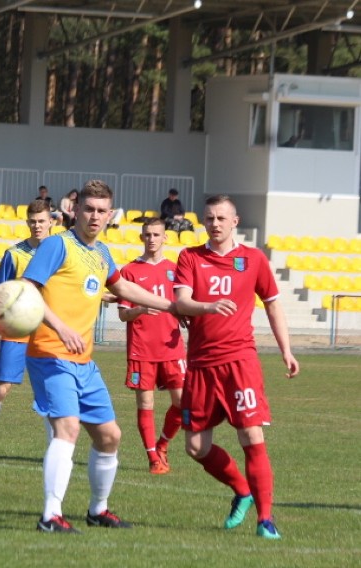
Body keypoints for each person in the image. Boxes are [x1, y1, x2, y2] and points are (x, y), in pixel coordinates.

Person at [22, 179, 177, 534]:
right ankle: (50, 515)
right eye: (88, 209)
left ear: (110, 215)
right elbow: (28, 292)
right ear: (74, 210)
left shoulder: (102, 253)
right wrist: (60, 328)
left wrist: (170, 305)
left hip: (84, 362)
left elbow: (122, 287)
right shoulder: (56, 245)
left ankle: (98, 510)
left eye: (101, 211)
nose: (94, 216)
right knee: (68, 428)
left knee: (109, 437)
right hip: (50, 353)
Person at [173, 194, 299, 540]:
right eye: (209, 218)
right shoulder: (190, 257)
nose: (214, 224)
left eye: (221, 218)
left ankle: (265, 519)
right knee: (195, 447)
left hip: (240, 361)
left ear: (235, 221)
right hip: (200, 364)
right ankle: (242, 489)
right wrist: (208, 306)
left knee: (252, 435)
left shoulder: (254, 259)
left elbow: (273, 306)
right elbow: (182, 301)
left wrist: (286, 350)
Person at [0, 199, 55, 462]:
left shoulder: (59, 252)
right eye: (33, 221)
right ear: (27, 222)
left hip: (47, 332)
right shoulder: (14, 254)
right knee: (2, 388)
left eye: (42, 221)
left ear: (51, 221)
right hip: (17, 330)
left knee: (50, 394)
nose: (37, 225)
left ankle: (55, 449)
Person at [117, 218, 185, 475]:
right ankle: (153, 458)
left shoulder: (176, 270)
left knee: (182, 402)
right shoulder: (130, 271)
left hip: (172, 347)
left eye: (156, 234)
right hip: (142, 349)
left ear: (165, 237)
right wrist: (141, 309)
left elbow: (183, 303)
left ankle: (163, 445)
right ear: (142, 237)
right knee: (146, 404)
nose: (152, 239)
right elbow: (123, 315)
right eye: (147, 235)